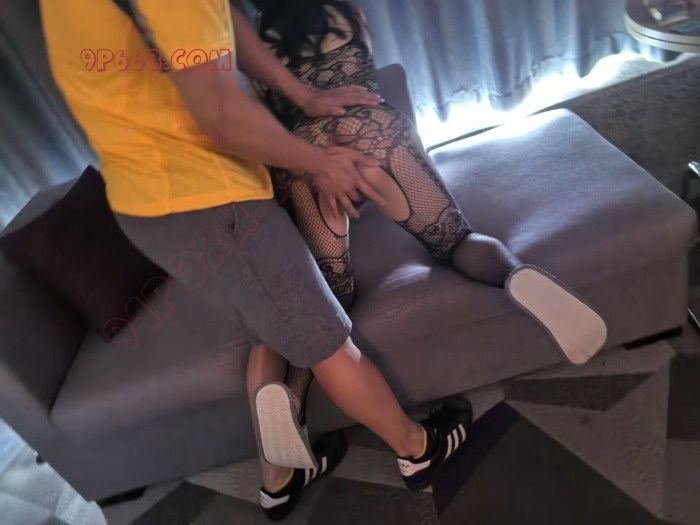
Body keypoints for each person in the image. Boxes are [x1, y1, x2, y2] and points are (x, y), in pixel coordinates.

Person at [40, 0, 474, 520]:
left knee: (269, 329)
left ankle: (281, 480)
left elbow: (222, 23)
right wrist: (317, 161)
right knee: (327, 342)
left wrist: (304, 96)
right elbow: (221, 115)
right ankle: (417, 449)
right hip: (210, 201)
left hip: (146, 202)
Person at [251, 0, 609, 492]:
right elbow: (364, 73)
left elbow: (265, 124)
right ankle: (515, 274)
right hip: (374, 131)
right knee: (455, 239)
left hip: (309, 156)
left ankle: (290, 401)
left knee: (330, 291)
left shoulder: (254, 39)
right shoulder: (345, 11)